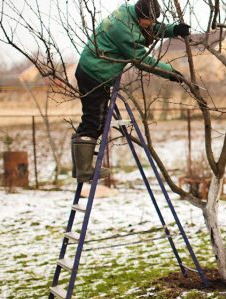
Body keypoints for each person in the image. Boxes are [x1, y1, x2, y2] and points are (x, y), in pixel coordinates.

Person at [71, 0, 190, 182]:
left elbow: (151, 29)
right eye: (148, 20)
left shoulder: (129, 14)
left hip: (95, 71)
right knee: (94, 121)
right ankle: (84, 170)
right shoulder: (124, 31)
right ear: (140, 15)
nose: (151, 24)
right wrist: (170, 72)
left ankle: (80, 168)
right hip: (94, 73)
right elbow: (142, 59)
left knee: (95, 119)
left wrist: (174, 30)